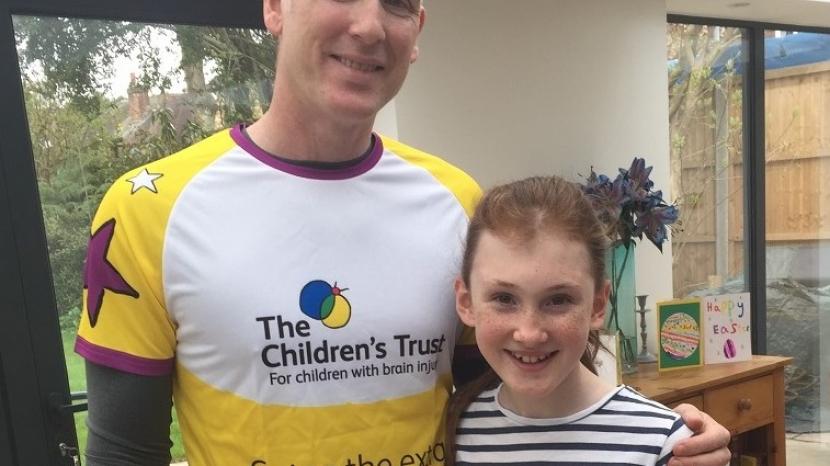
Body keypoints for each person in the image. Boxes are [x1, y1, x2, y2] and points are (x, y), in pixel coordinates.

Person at [76, 1, 731, 465]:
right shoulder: (148, 210)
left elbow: (517, 387)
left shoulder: (456, 199)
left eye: (395, 2)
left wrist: (659, 434)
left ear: (415, 31)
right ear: (274, 6)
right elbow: (123, 452)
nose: (367, 25)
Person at [446, 176, 694, 466]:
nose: (529, 333)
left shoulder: (666, 445)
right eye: (504, 298)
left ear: (598, 305)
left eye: (558, 300)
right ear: (466, 302)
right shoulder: (455, 431)